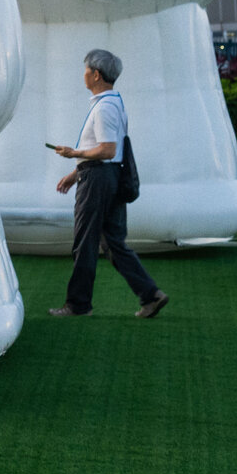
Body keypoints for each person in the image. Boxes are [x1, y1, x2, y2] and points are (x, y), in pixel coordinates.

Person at [49, 49, 169, 320]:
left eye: (85, 71)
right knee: (114, 243)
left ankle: (78, 305)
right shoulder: (114, 102)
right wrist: (74, 173)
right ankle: (150, 295)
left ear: (96, 74)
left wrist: (74, 154)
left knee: (85, 242)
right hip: (110, 178)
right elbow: (108, 151)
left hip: (97, 181)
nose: (83, 75)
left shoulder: (103, 108)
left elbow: (105, 149)